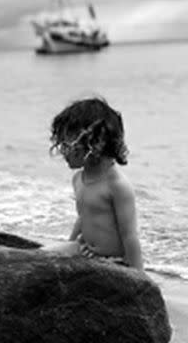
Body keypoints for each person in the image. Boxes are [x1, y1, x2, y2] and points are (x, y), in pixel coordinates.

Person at [46, 96, 144, 271]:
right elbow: (84, 216)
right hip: (86, 252)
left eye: (66, 145)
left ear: (94, 144)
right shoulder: (78, 179)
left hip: (113, 261)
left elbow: (129, 236)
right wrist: (72, 244)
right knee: (41, 256)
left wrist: (138, 275)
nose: (62, 152)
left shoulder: (117, 185)